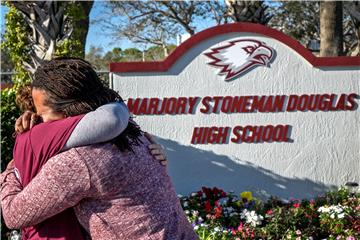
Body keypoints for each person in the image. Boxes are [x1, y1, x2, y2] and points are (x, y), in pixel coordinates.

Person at [1, 58, 198, 240]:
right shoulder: (133, 134)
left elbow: (14, 215)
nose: (41, 123)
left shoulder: (77, 162)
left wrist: (12, 169)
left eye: (43, 114)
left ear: (69, 110)